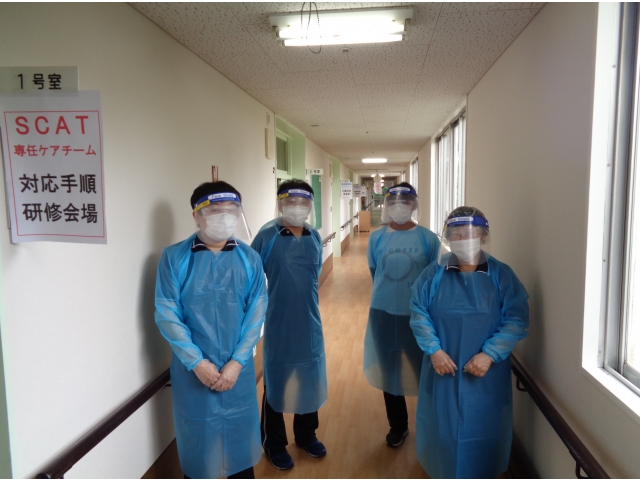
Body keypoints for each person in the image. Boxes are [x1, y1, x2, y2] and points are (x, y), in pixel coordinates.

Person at [155, 181, 267, 479]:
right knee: (200, 448)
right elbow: (167, 315)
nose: (225, 216)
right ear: (197, 215)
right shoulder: (175, 258)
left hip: (237, 370)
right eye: (216, 210)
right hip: (193, 373)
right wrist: (197, 363)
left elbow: (256, 314)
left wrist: (236, 363)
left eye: (231, 210)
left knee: (239, 447)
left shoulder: (249, 258)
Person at [410, 206, 530, 479]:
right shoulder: (434, 274)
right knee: (442, 425)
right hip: (442, 367)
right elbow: (419, 312)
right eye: (456, 234)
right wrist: (434, 350)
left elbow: (515, 319)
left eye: (469, 233)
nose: (462, 239)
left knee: (484, 426)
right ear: (448, 237)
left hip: (487, 373)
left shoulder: (501, 275)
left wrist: (489, 354)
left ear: (483, 236)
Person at [251, 179, 327, 470]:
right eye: (291, 201)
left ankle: (307, 435)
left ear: (310, 206)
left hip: (309, 321)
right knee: (277, 383)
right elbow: (250, 277)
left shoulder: (314, 236)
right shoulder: (267, 236)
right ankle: (274, 443)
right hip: (279, 322)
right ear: (281, 204)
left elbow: (313, 276)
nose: (297, 207)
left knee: (309, 378)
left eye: (302, 202)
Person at [364, 182, 440, 447]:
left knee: (425, 371)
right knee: (390, 372)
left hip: (418, 317)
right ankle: (398, 426)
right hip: (383, 314)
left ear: (414, 205)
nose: (399, 206)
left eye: (405, 201)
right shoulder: (377, 238)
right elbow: (375, 273)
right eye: (393, 201)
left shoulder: (428, 238)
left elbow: (433, 279)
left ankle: (430, 425)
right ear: (386, 205)